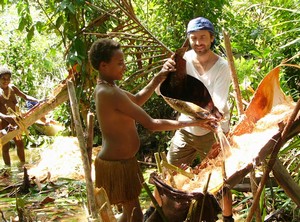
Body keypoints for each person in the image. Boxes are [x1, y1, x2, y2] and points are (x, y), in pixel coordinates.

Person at [88, 38, 218, 222]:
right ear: (103, 66)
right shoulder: (109, 93)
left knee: (129, 214)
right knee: (135, 216)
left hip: (123, 162)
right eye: (120, 63)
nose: (124, 66)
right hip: (116, 164)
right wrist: (192, 123)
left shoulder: (108, 87)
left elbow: (137, 99)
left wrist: (160, 76)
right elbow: (152, 124)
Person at [145, 17, 234, 221]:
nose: (198, 42)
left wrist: (208, 118)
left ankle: (228, 217)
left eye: (203, 37)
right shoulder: (181, 61)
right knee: (168, 171)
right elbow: (161, 92)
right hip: (186, 129)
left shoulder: (221, 67)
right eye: (193, 38)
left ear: (211, 38)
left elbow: (218, 103)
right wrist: (165, 72)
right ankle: (153, 210)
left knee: (221, 179)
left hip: (212, 131)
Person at [0, 66, 40, 166]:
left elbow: (25, 96)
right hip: (3, 123)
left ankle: (23, 166)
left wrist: (37, 101)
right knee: (5, 147)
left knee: (20, 144)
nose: (6, 81)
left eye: (8, 79)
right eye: (3, 79)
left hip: (15, 122)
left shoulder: (12, 88)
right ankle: (8, 170)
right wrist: (6, 117)